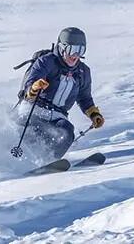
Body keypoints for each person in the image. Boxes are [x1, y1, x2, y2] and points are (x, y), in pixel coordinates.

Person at [18, 27, 105, 159]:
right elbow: (30, 83)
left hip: (57, 116)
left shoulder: (83, 72)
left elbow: (84, 98)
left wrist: (94, 114)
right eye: (72, 49)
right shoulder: (47, 61)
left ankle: (48, 161)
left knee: (67, 132)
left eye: (80, 50)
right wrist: (35, 87)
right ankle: (22, 159)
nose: (75, 55)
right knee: (35, 131)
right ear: (61, 47)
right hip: (34, 109)